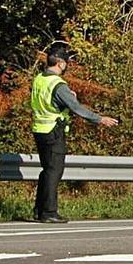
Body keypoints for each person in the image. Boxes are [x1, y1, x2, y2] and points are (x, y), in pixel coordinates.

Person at [30, 47, 119, 223]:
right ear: (60, 63)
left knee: (47, 171)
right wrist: (100, 119)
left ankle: (39, 210)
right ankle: (49, 212)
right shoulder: (58, 84)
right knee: (54, 172)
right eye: (66, 63)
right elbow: (77, 108)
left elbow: (48, 102)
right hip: (53, 132)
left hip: (39, 129)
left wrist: (67, 98)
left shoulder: (39, 79)